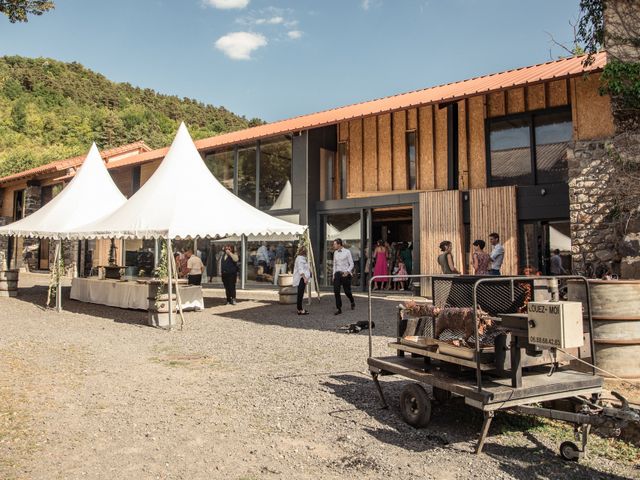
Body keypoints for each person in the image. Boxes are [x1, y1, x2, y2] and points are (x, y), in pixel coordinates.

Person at [332, 238, 355, 315]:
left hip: (345, 273)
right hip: (337, 273)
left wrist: (347, 272)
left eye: (334, 244)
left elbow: (351, 264)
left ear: (339, 244)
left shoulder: (347, 252)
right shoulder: (335, 252)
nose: (333, 245)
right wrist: (333, 274)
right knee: (336, 291)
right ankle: (339, 308)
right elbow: (334, 264)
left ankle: (352, 301)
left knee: (347, 291)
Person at [292, 245, 311, 315]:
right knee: (300, 294)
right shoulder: (300, 259)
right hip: (301, 279)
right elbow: (300, 269)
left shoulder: (302, 258)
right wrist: (305, 278)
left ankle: (299, 309)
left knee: (300, 294)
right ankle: (300, 309)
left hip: (302, 278)